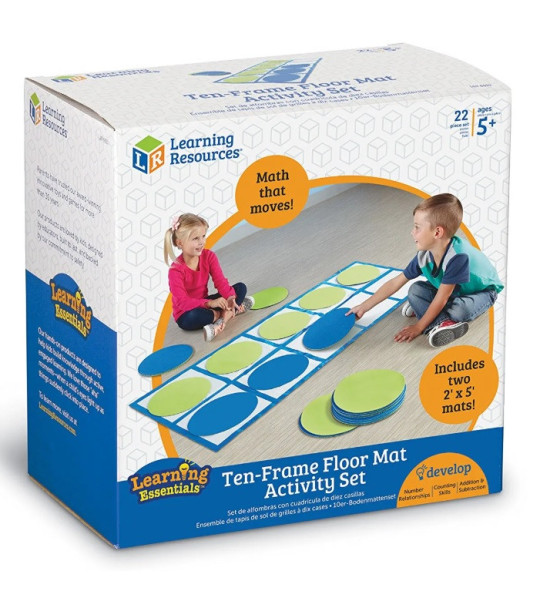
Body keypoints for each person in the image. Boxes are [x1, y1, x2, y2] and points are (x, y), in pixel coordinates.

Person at [347, 193, 503, 347]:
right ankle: (439, 319)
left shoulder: (457, 257)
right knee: (415, 290)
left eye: (417, 227)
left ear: (437, 232)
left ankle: (435, 318)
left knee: (459, 311)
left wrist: (419, 327)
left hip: (481, 293)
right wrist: (364, 306)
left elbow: (442, 298)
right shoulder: (424, 255)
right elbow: (396, 282)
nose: (412, 232)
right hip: (450, 291)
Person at [164, 213, 253, 342]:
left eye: (203, 236)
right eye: (195, 238)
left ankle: (222, 317)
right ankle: (228, 313)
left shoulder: (209, 256)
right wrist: (210, 303)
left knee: (240, 288)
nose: (201, 242)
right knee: (193, 316)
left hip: (206, 304)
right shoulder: (175, 271)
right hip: (187, 312)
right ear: (180, 243)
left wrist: (230, 298)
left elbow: (220, 282)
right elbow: (182, 302)